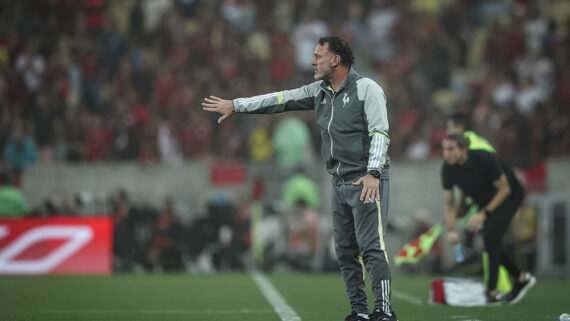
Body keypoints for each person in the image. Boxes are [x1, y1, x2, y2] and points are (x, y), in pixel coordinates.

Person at [203, 36, 397, 321]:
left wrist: (373, 173)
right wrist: (237, 105)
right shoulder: (318, 91)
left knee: (371, 246)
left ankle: (384, 311)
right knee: (345, 250)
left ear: (335, 60)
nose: (312, 61)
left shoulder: (368, 89)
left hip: (366, 179)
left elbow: (380, 132)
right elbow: (279, 99)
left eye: (318, 55)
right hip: (338, 180)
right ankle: (360, 311)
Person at [441, 133, 536, 304]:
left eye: (450, 149)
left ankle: (491, 292)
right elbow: (450, 203)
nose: (446, 153)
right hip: (486, 200)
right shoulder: (448, 168)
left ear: (463, 150)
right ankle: (521, 278)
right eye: (444, 149)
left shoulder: (484, 158)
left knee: (491, 237)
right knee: (492, 242)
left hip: (510, 195)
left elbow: (505, 189)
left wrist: (483, 213)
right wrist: (451, 229)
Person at [446, 112, 513, 295]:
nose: (447, 132)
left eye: (450, 128)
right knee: (488, 241)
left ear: (459, 128)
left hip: (490, 198)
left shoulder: (469, 145)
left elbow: (481, 174)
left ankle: (499, 285)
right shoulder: (477, 142)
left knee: (490, 241)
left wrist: (467, 202)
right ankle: (498, 284)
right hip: (484, 197)